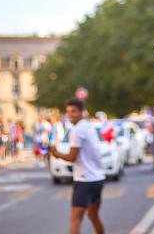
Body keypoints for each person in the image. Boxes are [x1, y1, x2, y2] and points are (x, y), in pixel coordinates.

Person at [50, 99, 105, 234]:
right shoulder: (88, 125)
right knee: (93, 216)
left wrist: (56, 153)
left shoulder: (77, 130)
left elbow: (71, 157)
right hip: (98, 179)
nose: (70, 114)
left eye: (74, 111)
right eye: (68, 112)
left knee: (75, 219)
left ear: (81, 112)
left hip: (84, 180)